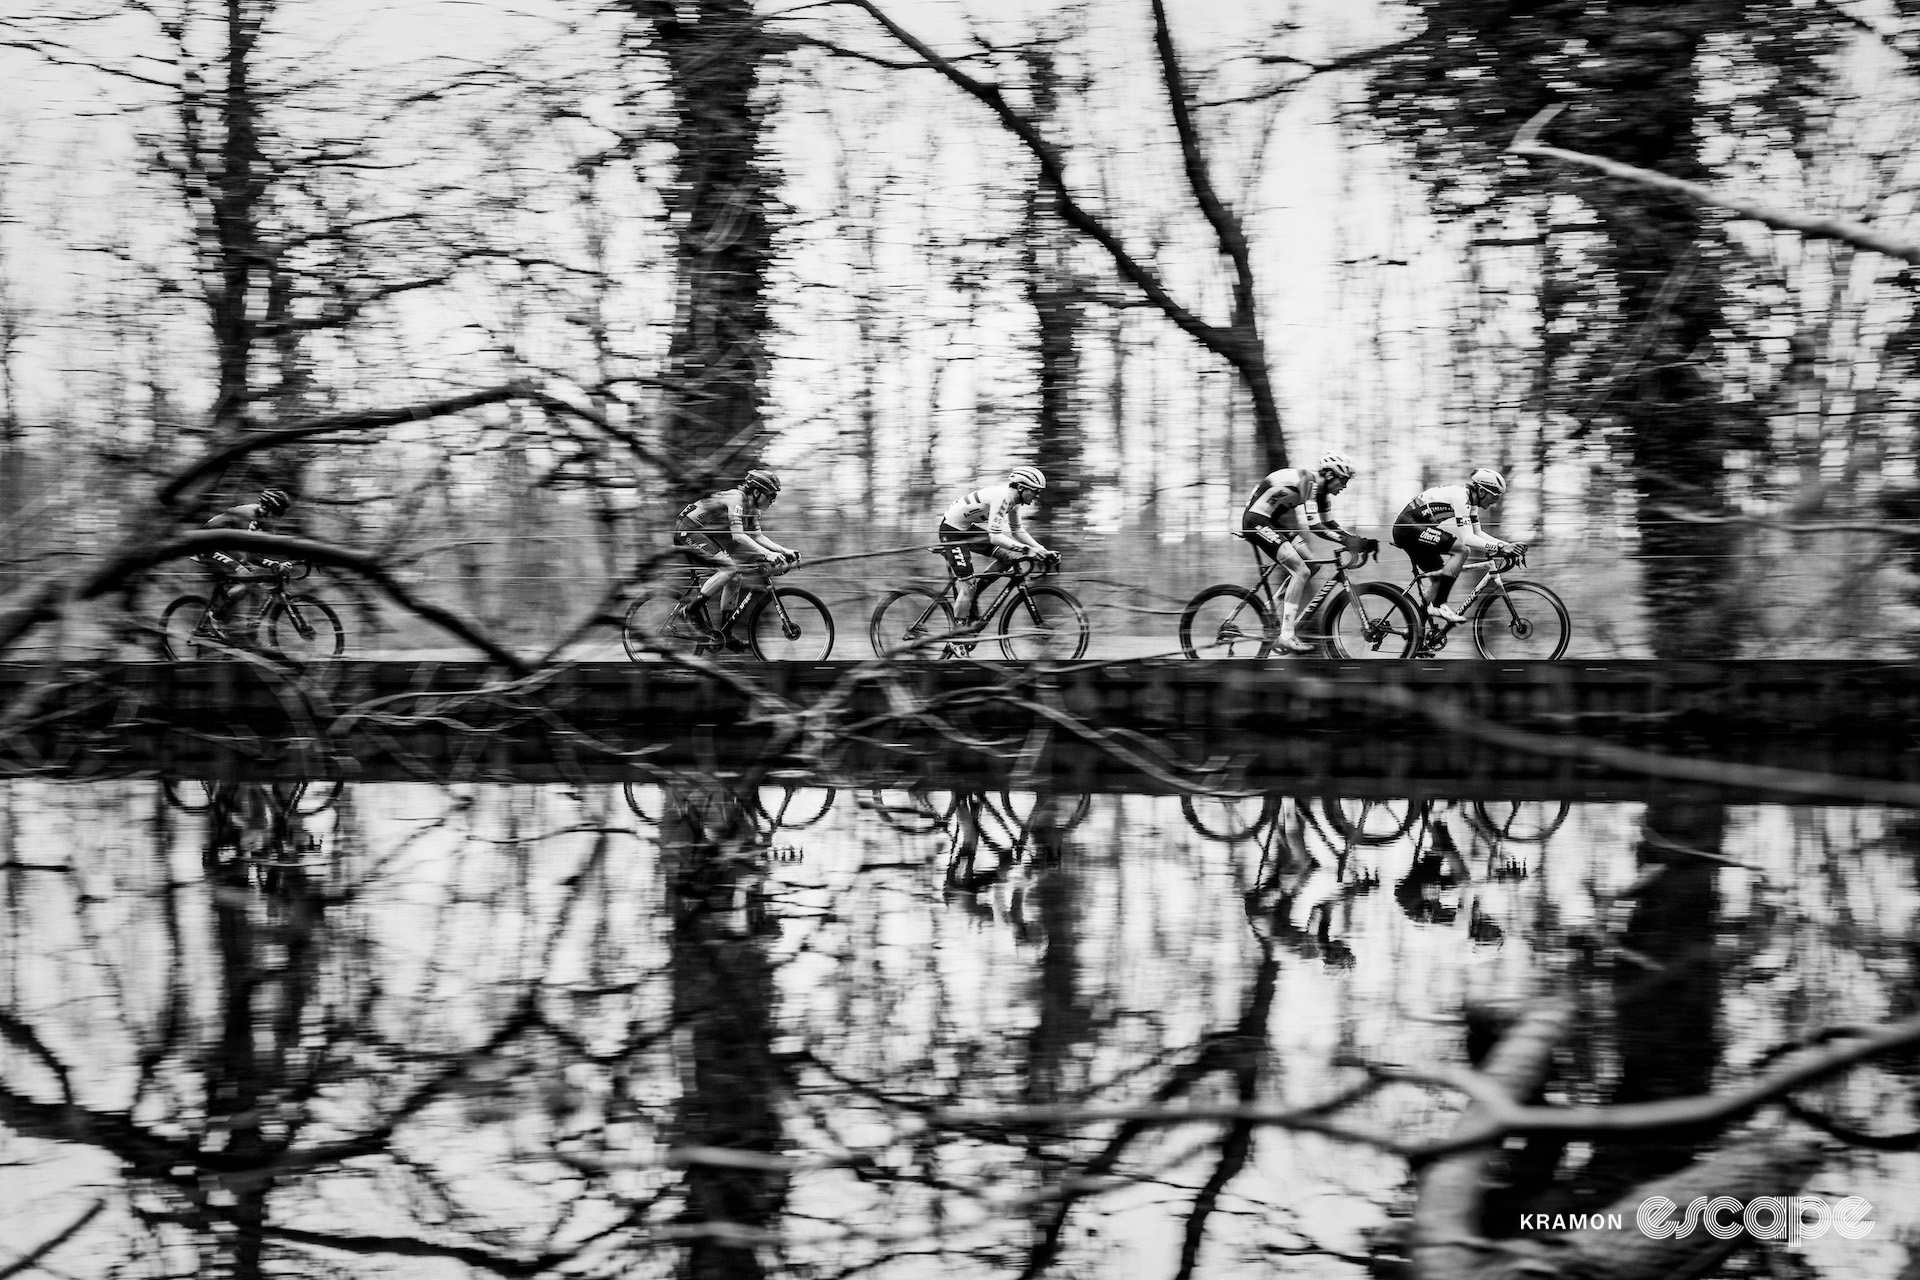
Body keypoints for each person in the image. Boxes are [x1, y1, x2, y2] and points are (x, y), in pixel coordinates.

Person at [1239, 452, 1375, 654]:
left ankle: (1272, 606)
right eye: (1343, 480)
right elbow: (1316, 526)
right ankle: (1286, 636)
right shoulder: (1310, 482)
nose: (1344, 486)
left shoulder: (1322, 494)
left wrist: (1356, 540)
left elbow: (1330, 524)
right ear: (1329, 475)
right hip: (1256, 521)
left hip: (1273, 522)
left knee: (1313, 565)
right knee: (1300, 572)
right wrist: (1347, 541)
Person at [672, 469, 799, 649]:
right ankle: (689, 611)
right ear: (756, 492)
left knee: (736, 575)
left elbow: (757, 536)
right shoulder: (737, 499)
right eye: (771, 495)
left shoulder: (752, 508)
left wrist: (785, 550)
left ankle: (726, 633)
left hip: (702, 532)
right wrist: (767, 554)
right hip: (687, 529)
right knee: (729, 569)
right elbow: (738, 536)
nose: (773, 500)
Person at [1390, 468, 1521, 624]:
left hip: (1415, 529)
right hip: (1408, 527)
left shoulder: (1471, 503)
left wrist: (1507, 546)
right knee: (1462, 550)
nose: (1495, 502)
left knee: (1439, 579)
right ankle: (1439, 604)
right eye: (1494, 496)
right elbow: (1468, 540)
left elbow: (1477, 533)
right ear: (1481, 491)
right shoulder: (1462, 497)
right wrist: (1500, 548)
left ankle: (1415, 631)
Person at [936, 465, 1059, 626]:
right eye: (1035, 491)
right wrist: (1027, 550)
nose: (1036, 496)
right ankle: (957, 636)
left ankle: (974, 596)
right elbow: (995, 537)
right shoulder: (1003, 497)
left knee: (1009, 558)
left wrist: (1042, 550)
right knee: (968, 585)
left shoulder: (1014, 502)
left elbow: (1017, 530)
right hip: (951, 530)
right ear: (1021, 488)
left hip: (966, 528)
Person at [197, 487, 292, 641]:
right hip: (207, 545)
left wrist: (277, 564)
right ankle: (215, 617)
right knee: (247, 578)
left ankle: (248, 632)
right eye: (276, 513)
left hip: (226, 547)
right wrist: (275, 565)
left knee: (257, 585)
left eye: (280, 515)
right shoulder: (249, 515)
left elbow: (257, 556)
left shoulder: (264, 522)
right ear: (267, 508)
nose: (277, 518)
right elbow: (250, 555)